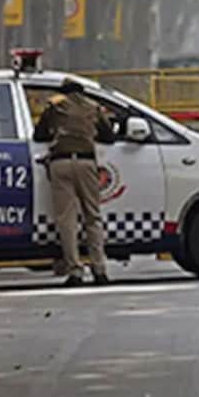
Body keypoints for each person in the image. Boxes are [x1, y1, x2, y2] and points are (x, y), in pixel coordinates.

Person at [33, 79, 117, 286]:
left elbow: (39, 134)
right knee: (93, 217)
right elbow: (109, 136)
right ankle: (100, 269)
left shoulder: (54, 105)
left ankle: (75, 271)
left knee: (67, 220)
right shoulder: (93, 106)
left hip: (60, 163)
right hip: (86, 163)